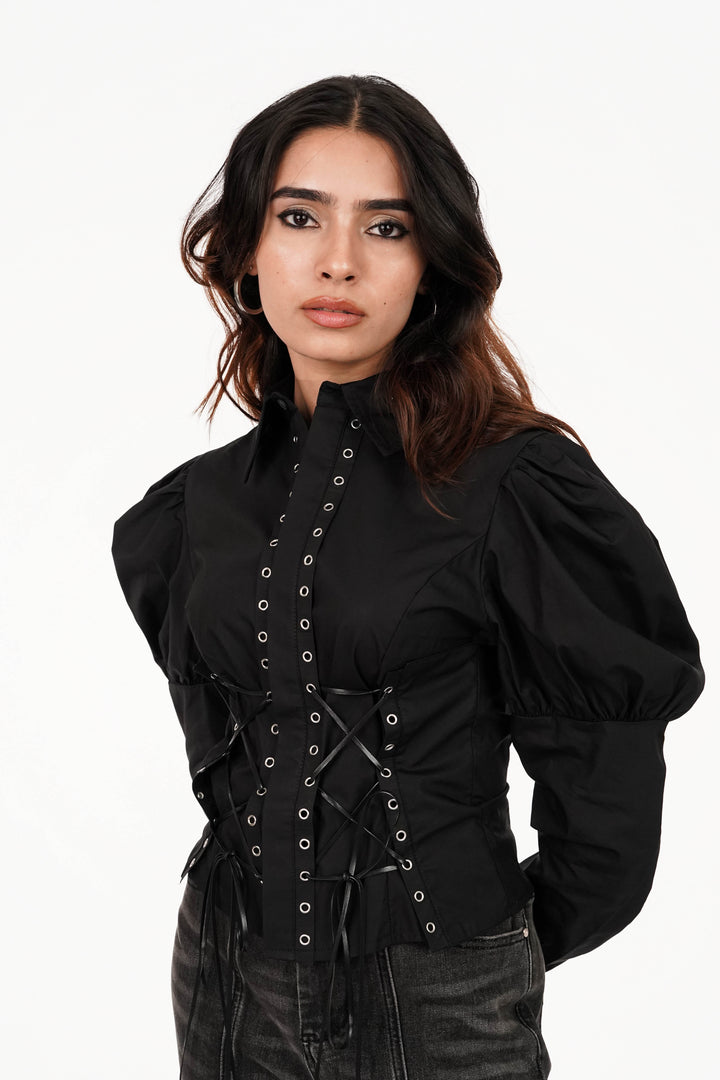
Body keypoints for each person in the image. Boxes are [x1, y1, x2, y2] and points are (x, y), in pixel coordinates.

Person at [111, 74, 704, 1080]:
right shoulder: (192, 511)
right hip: (223, 975)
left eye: (386, 228)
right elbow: (226, 758)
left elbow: (606, 811)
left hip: (438, 997)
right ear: (247, 248)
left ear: (432, 265)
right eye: (300, 217)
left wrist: (483, 951)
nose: (338, 261)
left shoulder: (517, 488)